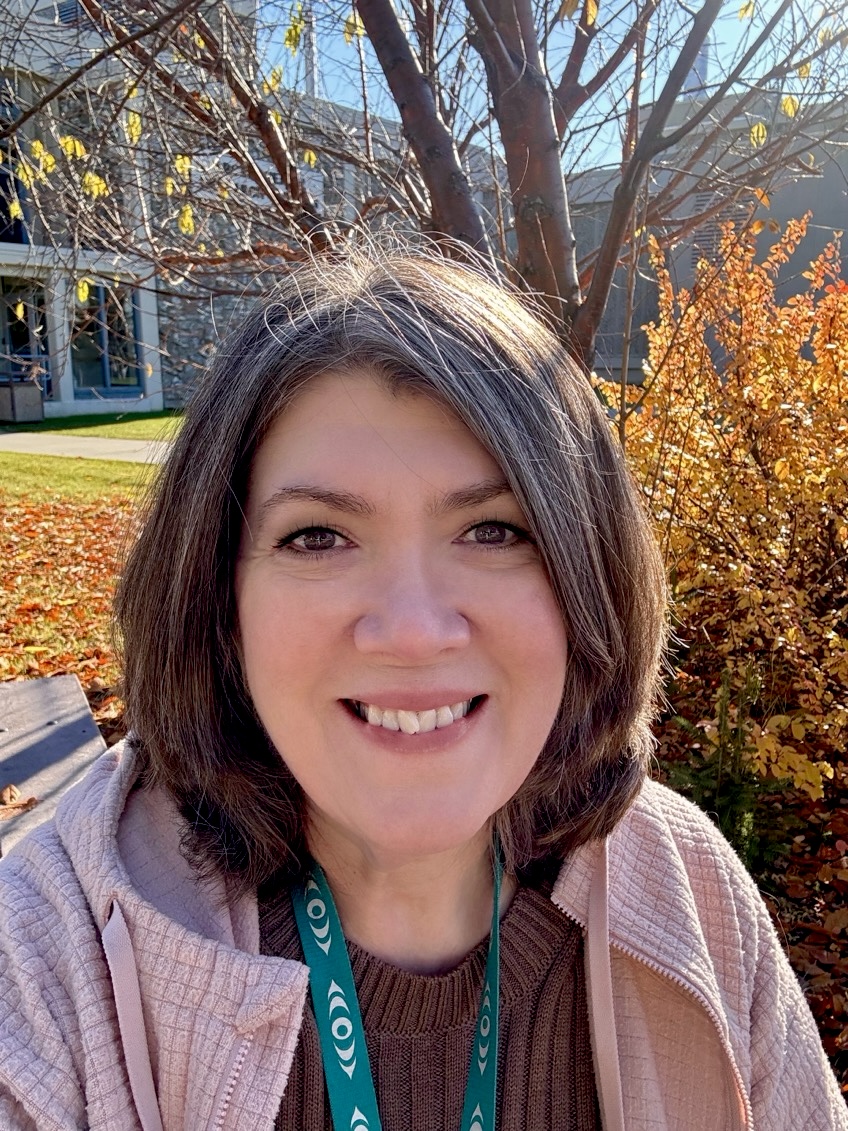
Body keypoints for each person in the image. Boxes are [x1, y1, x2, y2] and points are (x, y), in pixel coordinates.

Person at [0, 248, 844, 1131]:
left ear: (586, 578)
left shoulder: (691, 897)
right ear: (219, 599)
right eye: (318, 537)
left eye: (492, 529)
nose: (412, 630)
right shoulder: (49, 961)